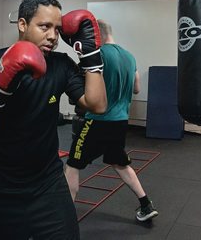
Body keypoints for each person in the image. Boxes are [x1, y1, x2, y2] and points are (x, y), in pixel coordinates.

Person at [0, 0, 107, 240]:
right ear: (22, 24)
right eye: (44, 26)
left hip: (49, 186)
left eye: (57, 29)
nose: (53, 36)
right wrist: (0, 85)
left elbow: (97, 105)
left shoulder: (60, 65)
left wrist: (90, 57)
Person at [64, 19, 159, 222]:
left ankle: (65, 215)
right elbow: (136, 89)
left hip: (97, 121)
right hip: (120, 121)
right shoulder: (129, 56)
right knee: (120, 163)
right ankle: (145, 204)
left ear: (95, 35)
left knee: (73, 164)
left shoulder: (97, 56)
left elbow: (84, 90)